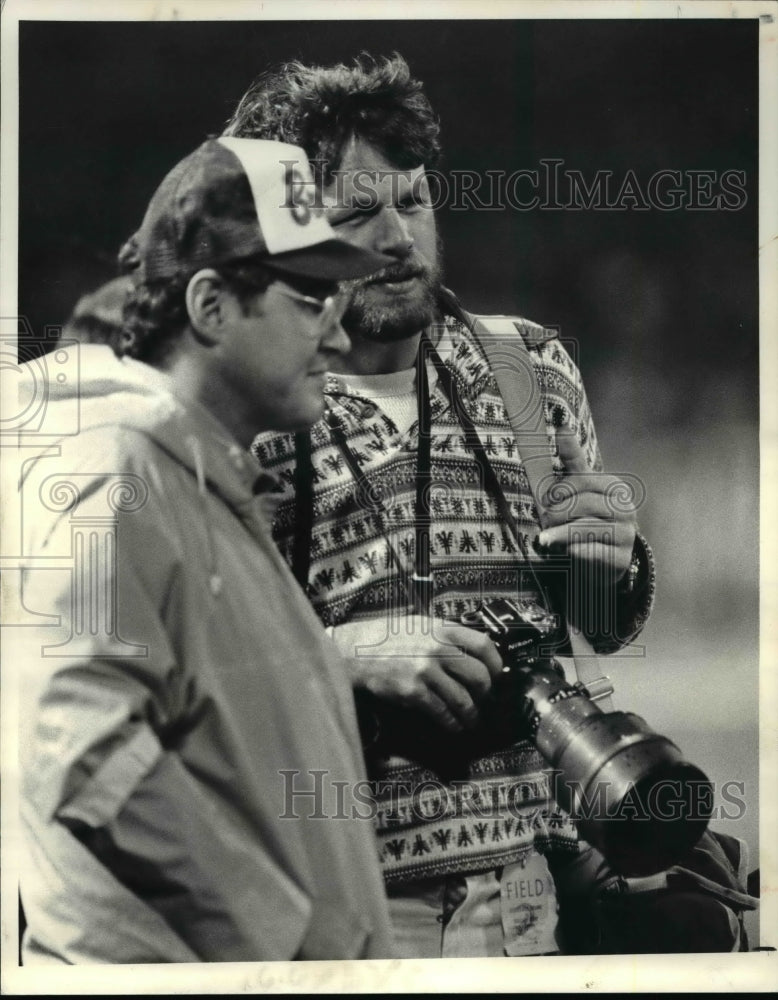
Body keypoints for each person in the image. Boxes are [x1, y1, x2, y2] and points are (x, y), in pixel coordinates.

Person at [224, 54, 754, 957]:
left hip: (531, 896)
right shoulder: (252, 407)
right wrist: (343, 654)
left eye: (415, 200)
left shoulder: (529, 367)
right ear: (285, 232)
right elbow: (197, 666)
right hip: (340, 907)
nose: (396, 237)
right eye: (357, 212)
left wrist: (614, 564)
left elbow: (597, 624)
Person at [16, 136, 396, 963]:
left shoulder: (195, 474)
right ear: (210, 306)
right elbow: (82, 752)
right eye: (310, 299)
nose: (339, 340)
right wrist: (290, 937)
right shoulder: (113, 470)